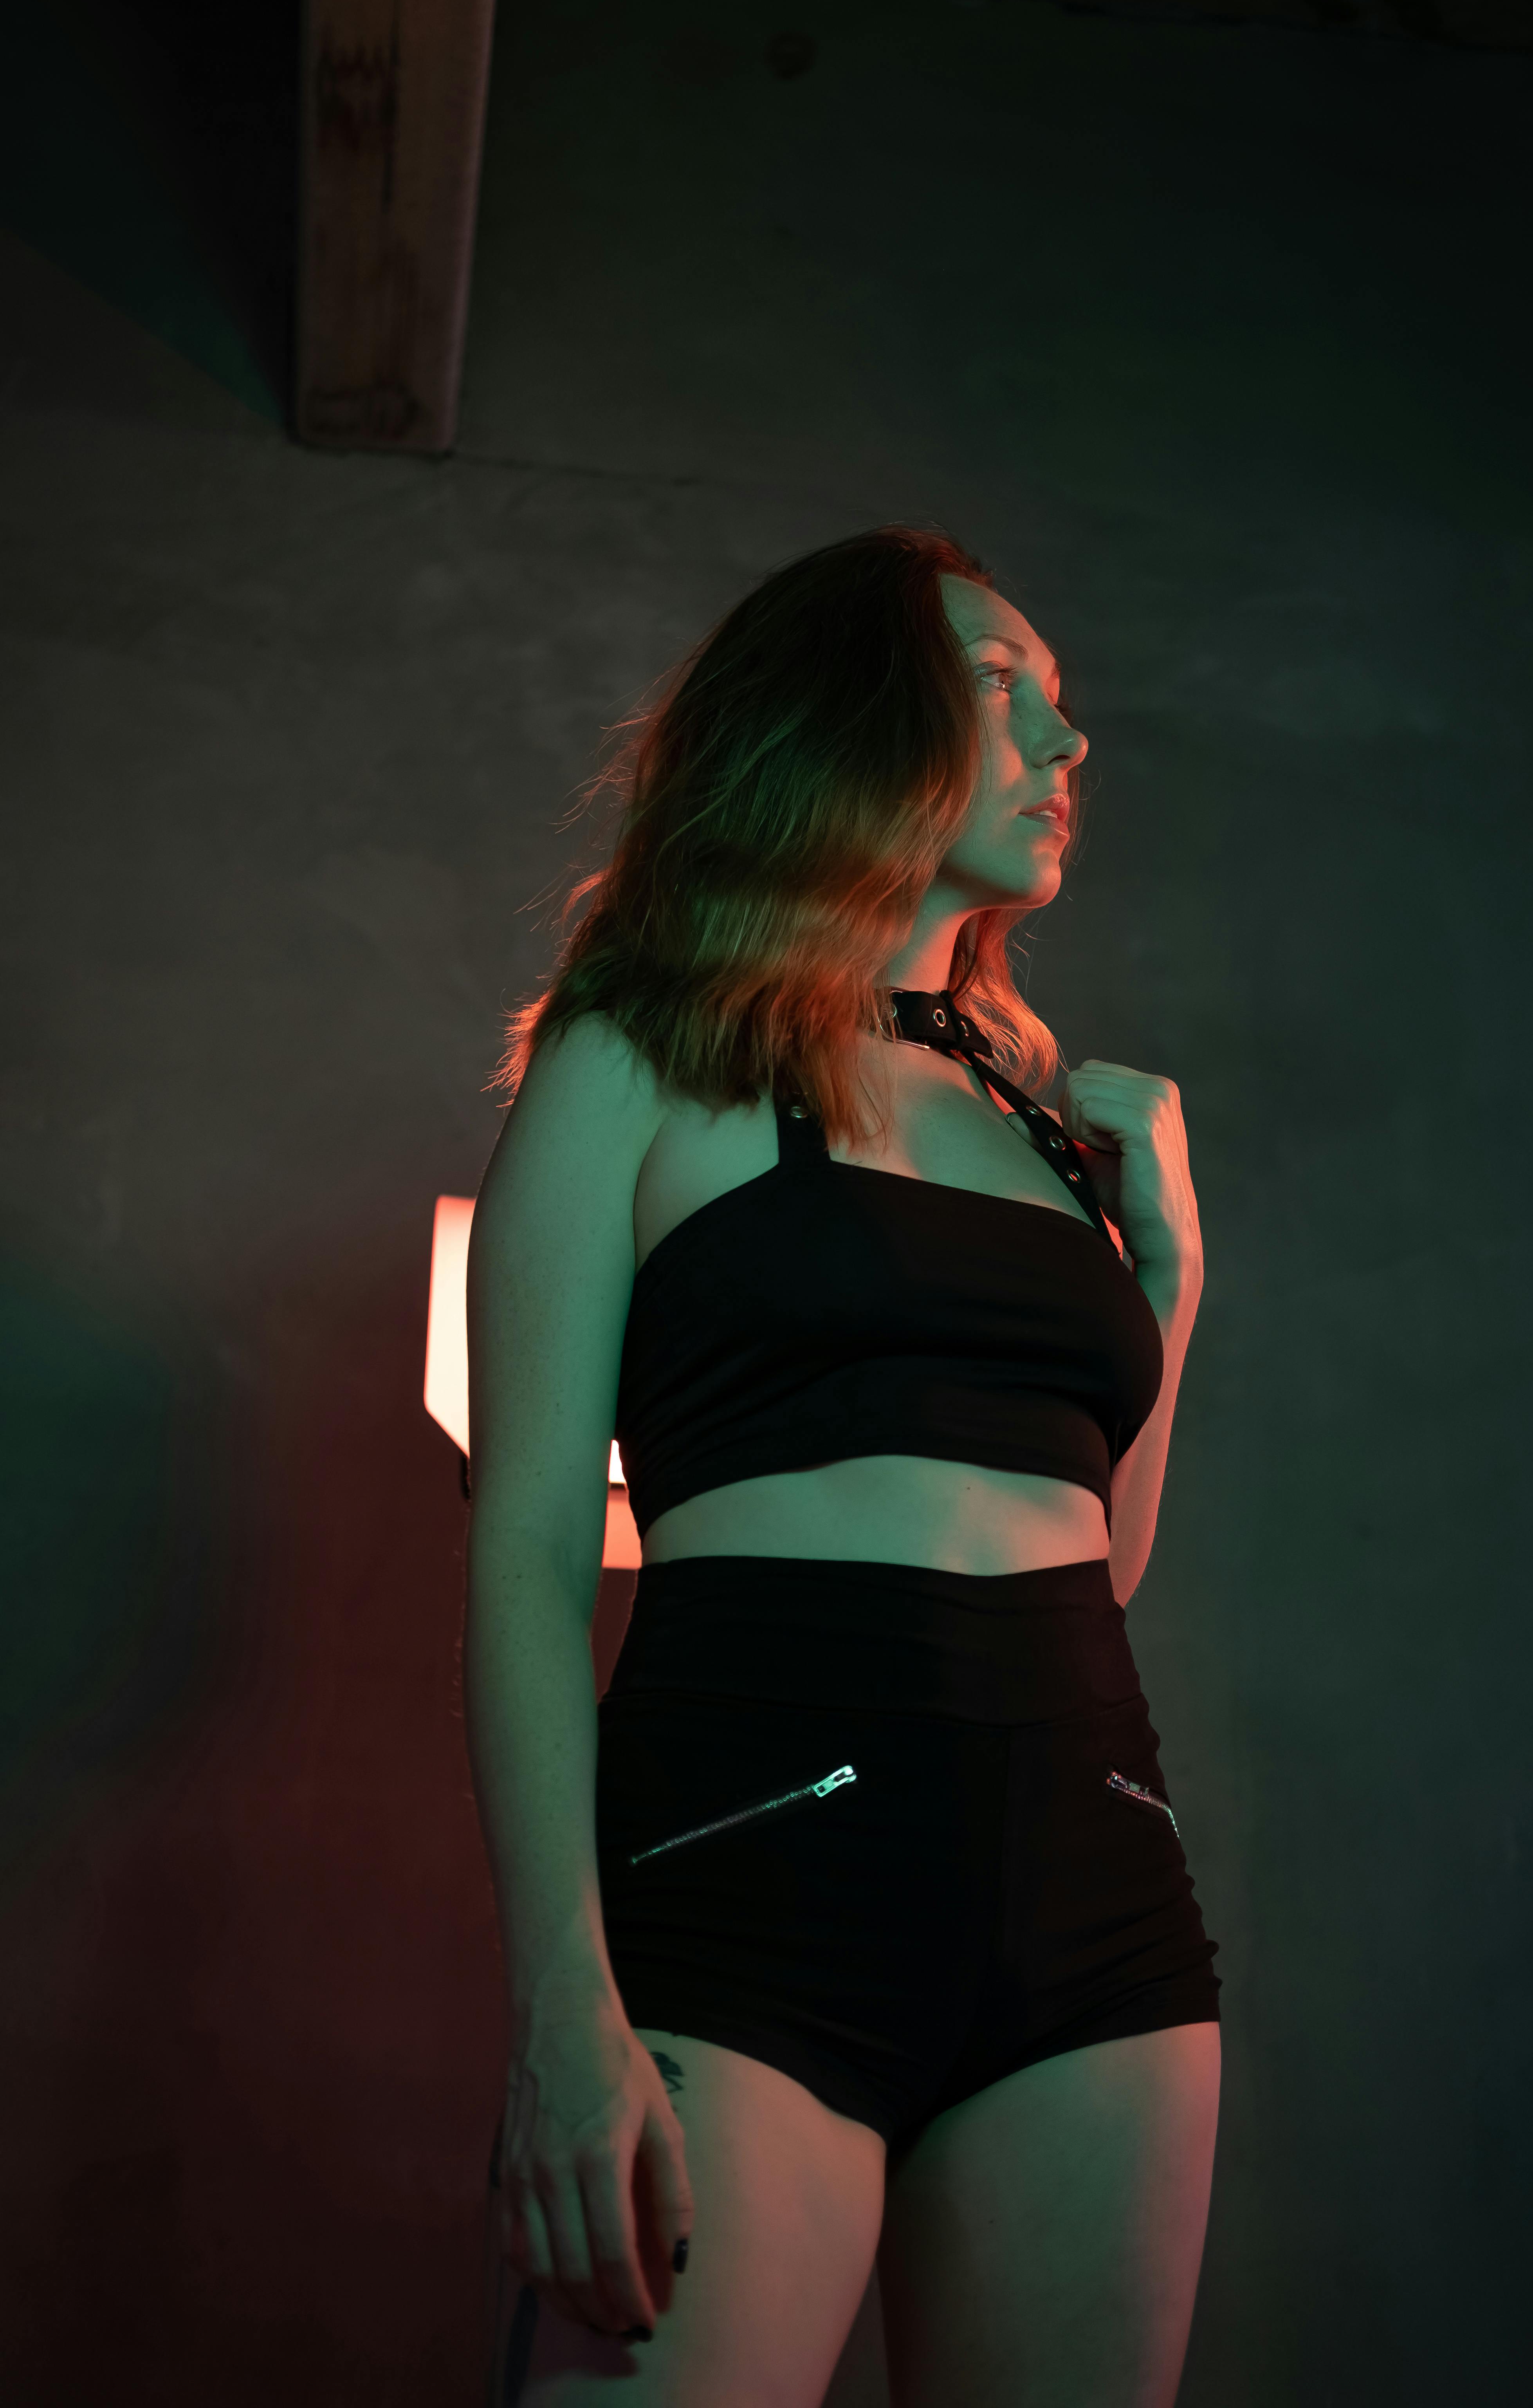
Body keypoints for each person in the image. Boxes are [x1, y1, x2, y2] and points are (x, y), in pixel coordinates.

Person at [464, 526, 1219, 2408]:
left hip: (1089, 1877)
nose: (1067, 738)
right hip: (752, 1871)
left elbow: (1093, 1560)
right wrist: (566, 2002)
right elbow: (534, 1548)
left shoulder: (1048, 1115)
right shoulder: (635, 1055)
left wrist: (1173, 1280)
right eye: (1001, 685)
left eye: (1064, 700)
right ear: (850, 715)